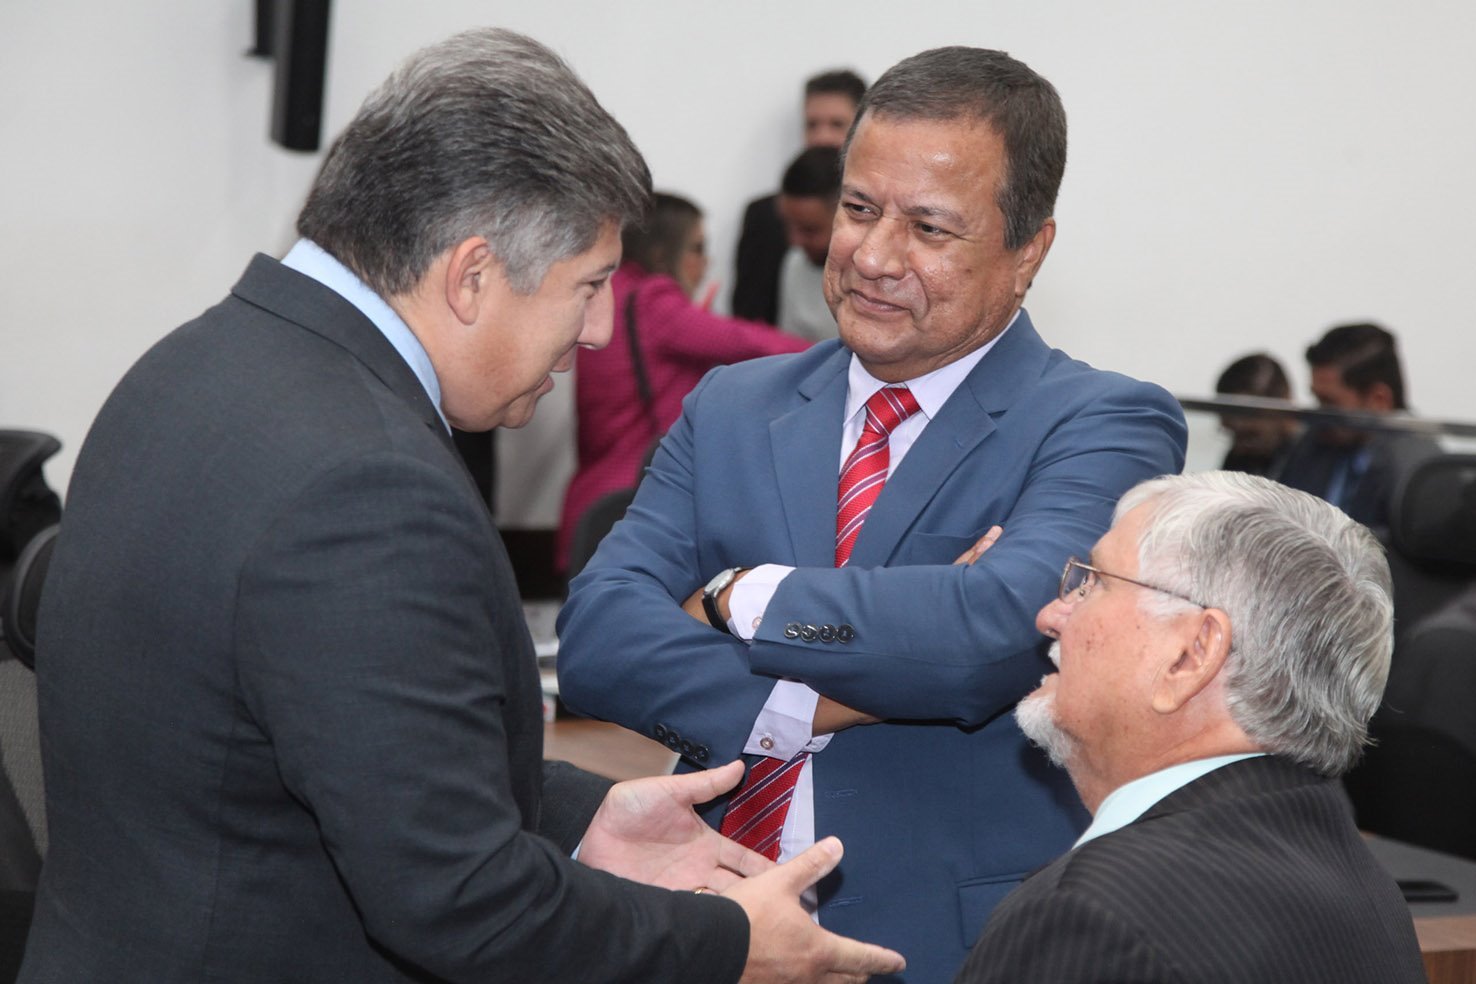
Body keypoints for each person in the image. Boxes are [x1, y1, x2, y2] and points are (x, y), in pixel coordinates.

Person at [18, 28, 905, 984]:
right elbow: (462, 903)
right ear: (473, 275)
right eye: (589, 285)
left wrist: (581, 817)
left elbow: (346, 748)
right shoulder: (368, 485)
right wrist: (728, 943)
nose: (599, 331)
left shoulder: (188, 367)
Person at [558, 45, 1187, 983]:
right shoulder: (732, 406)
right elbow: (598, 639)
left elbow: (994, 634)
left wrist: (738, 596)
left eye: (929, 227)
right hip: (707, 921)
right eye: (858, 209)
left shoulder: (1103, 423)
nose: (875, 256)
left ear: (1028, 250)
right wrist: (800, 703)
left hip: (947, 946)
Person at [955, 471, 1427, 983]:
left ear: (1190, 656)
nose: (1050, 615)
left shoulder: (1093, 914)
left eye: (1093, 582)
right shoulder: (1358, 881)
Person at [556, 193, 809, 575]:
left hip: (592, 503)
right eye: (697, 248)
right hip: (635, 504)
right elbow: (750, 343)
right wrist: (831, 353)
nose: (705, 263)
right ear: (662, 252)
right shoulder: (653, 301)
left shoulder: (612, 293)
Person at [732, 69, 867, 325]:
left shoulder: (891, 215)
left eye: (837, 124)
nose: (822, 137)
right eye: (812, 125)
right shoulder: (766, 217)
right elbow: (748, 322)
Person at [1277, 322, 1439, 533]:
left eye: (1329, 403)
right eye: (1317, 399)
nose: (1319, 415)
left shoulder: (1416, 472)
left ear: (1378, 400)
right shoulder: (1311, 446)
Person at [775, 147, 843, 342]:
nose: (794, 241)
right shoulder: (795, 262)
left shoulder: (874, 275)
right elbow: (788, 347)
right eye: (788, 225)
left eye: (809, 230)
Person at [1213, 352, 1298, 476]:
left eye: (1250, 436)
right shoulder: (1240, 459)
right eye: (1234, 434)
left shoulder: (1312, 460)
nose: (1241, 448)